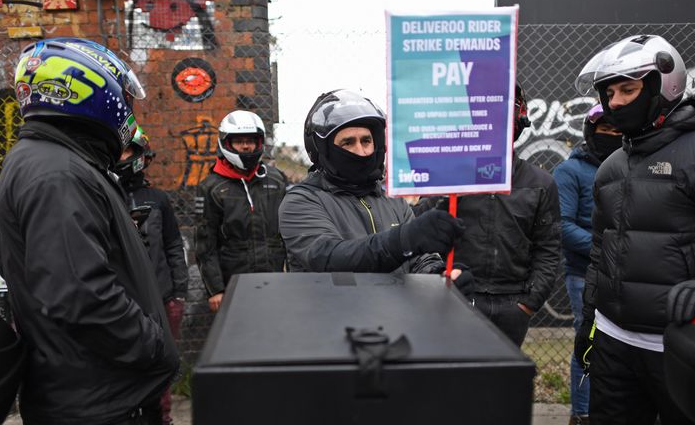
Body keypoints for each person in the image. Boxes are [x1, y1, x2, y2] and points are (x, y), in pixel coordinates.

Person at [0, 37, 178, 424]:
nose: (129, 113)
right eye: (125, 102)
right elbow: (79, 294)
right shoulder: (56, 173)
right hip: (99, 402)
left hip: (94, 395)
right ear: (88, 92)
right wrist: (153, 346)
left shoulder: (56, 161)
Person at [574, 34, 695, 424]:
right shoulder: (611, 167)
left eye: (627, 89)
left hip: (682, 346)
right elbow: (601, 252)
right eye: (608, 92)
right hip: (613, 345)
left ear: (663, 87)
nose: (615, 102)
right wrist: (590, 322)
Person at [413, 83, 562, 347]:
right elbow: (418, 232)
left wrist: (527, 304)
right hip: (459, 295)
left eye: (505, 108)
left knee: (501, 386)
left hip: (512, 304)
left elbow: (548, 249)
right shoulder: (449, 176)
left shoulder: (541, 183)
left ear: (520, 115)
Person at [279, 89, 468, 281]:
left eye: (366, 141)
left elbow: (420, 261)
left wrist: (440, 276)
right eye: (348, 143)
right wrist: (404, 240)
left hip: (395, 311)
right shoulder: (301, 202)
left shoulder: (393, 202)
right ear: (324, 150)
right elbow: (331, 258)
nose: (360, 151)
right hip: (331, 309)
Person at [114, 126, 190, 425]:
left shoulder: (158, 198)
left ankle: (163, 418)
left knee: (163, 366)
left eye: (127, 150)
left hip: (161, 297)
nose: (121, 157)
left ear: (141, 156)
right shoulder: (104, 193)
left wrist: (178, 293)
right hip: (122, 301)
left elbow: (173, 245)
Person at [552, 104, 622, 425]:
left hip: (627, 273)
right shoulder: (570, 172)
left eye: (618, 130)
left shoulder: (629, 166)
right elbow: (562, 226)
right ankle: (581, 414)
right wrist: (606, 247)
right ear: (591, 132)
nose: (613, 136)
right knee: (589, 342)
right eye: (605, 130)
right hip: (585, 274)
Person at [195, 110, 287, 313]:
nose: (246, 146)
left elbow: (291, 230)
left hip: (275, 278)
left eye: (251, 140)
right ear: (226, 143)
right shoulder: (211, 187)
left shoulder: (276, 180)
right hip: (233, 283)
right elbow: (205, 244)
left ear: (259, 142)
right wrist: (215, 289)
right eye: (239, 141)